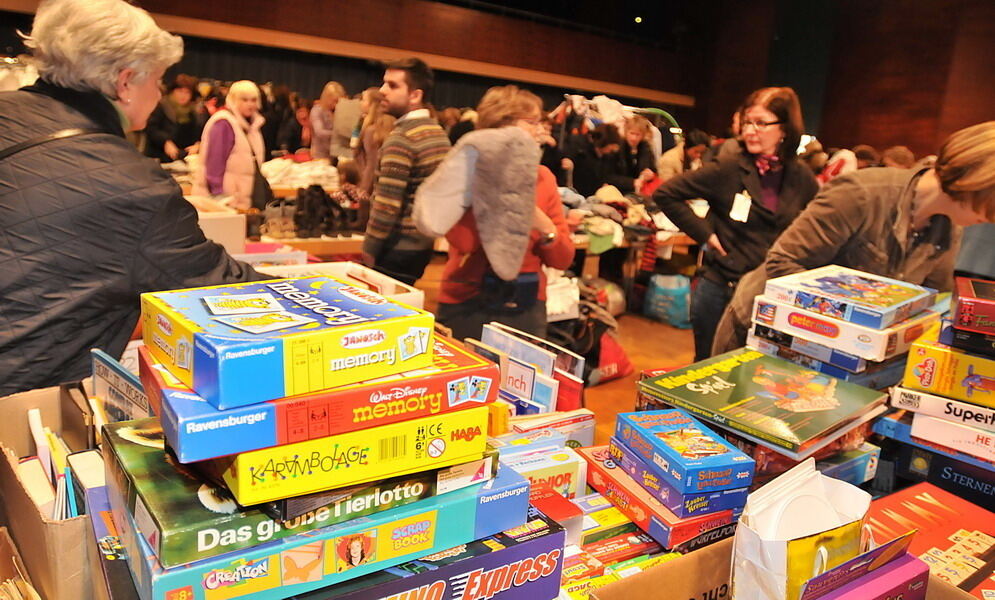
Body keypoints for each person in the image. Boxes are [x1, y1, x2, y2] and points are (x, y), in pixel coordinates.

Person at [0, 0, 262, 397]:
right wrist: (323, 293)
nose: (158, 94)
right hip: (26, 400)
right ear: (124, 83)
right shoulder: (133, 186)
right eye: (156, 81)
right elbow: (225, 289)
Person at [711, 121, 995, 354]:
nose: (989, 220)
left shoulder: (950, 227)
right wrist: (857, 320)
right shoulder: (862, 193)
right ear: (972, 181)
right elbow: (783, 264)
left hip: (846, 353)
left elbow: (934, 299)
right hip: (764, 334)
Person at [653, 87, 818, 361]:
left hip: (770, 295)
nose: (751, 130)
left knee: (754, 376)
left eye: (761, 123)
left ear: (785, 129)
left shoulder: (802, 177)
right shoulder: (729, 167)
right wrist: (706, 235)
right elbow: (666, 194)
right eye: (748, 122)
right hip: (722, 289)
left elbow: (813, 226)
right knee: (708, 372)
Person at [413, 85, 574, 340]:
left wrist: (543, 225)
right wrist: (496, 198)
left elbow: (562, 259)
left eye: (540, 123)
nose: (540, 131)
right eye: (532, 122)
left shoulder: (543, 178)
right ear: (502, 127)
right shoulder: (465, 173)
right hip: (466, 302)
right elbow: (464, 243)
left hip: (525, 305)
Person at [362, 58, 451, 285]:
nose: (382, 91)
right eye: (384, 83)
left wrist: (369, 248)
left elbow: (387, 206)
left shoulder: (402, 138)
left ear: (415, 95)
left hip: (397, 248)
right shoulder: (437, 132)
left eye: (392, 85)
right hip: (423, 244)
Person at [193, 80, 266, 210]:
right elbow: (214, 163)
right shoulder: (223, 123)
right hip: (223, 202)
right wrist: (218, 195)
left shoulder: (253, 125)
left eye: (253, 100)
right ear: (233, 100)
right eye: (244, 100)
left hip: (241, 201)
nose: (250, 104)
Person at [144, 73, 201, 162]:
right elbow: (151, 128)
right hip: (160, 157)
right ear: (173, 91)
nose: (183, 95)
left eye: (187, 92)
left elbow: (200, 132)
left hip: (185, 158)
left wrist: (198, 144)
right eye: (180, 91)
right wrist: (165, 141)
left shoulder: (194, 112)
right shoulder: (161, 106)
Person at [353, 87, 395, 195]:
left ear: (372, 104)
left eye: (364, 99)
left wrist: (363, 190)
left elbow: (371, 165)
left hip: (371, 188)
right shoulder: (383, 126)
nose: (361, 103)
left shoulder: (372, 131)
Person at [564, 123, 624, 197]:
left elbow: (606, 175)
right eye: (611, 148)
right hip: (576, 193)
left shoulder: (607, 156)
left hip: (593, 195)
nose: (612, 151)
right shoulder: (578, 146)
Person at [607, 115, 657, 194]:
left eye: (638, 134)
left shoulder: (646, 148)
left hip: (641, 191)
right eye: (632, 133)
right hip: (618, 191)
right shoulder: (617, 148)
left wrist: (651, 175)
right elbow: (609, 176)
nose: (634, 138)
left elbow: (653, 169)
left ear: (643, 135)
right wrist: (632, 182)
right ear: (626, 132)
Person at [310, 81, 346, 160]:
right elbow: (319, 132)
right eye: (335, 101)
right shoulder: (317, 110)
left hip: (337, 155)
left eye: (339, 101)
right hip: (320, 155)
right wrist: (337, 133)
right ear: (326, 98)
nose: (337, 104)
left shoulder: (338, 111)